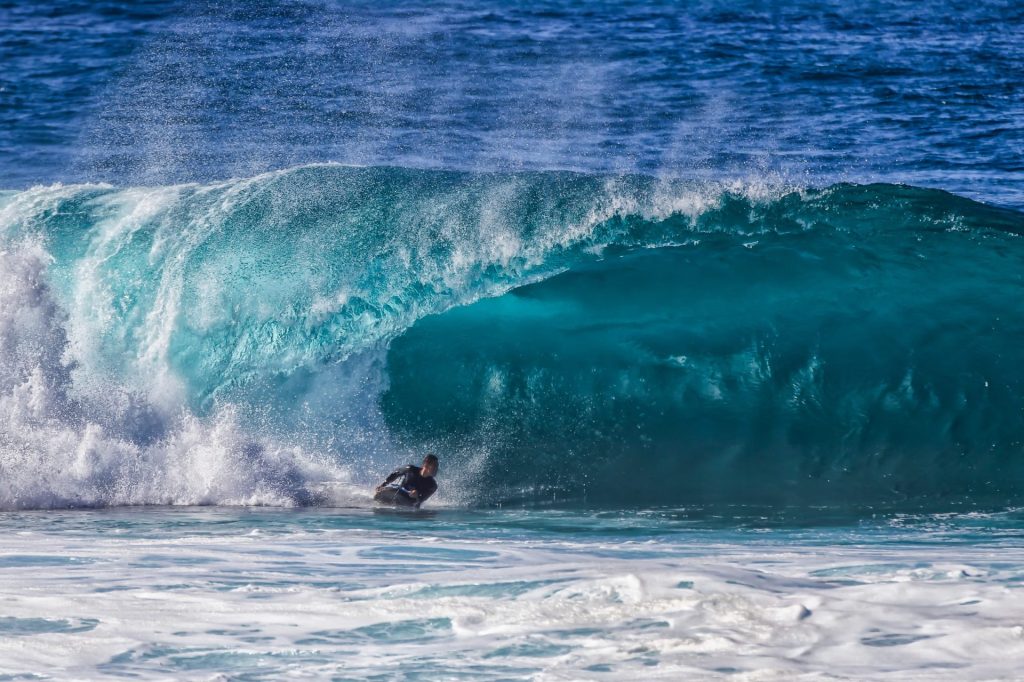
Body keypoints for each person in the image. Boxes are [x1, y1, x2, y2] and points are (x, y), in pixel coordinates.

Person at [374, 454, 439, 508]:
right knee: (380, 492)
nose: (436, 468)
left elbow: (422, 499)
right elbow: (395, 474)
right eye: (434, 465)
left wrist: (417, 495)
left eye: (436, 466)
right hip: (399, 492)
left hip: (410, 501)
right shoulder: (410, 469)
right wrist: (382, 485)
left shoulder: (433, 485)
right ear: (426, 464)